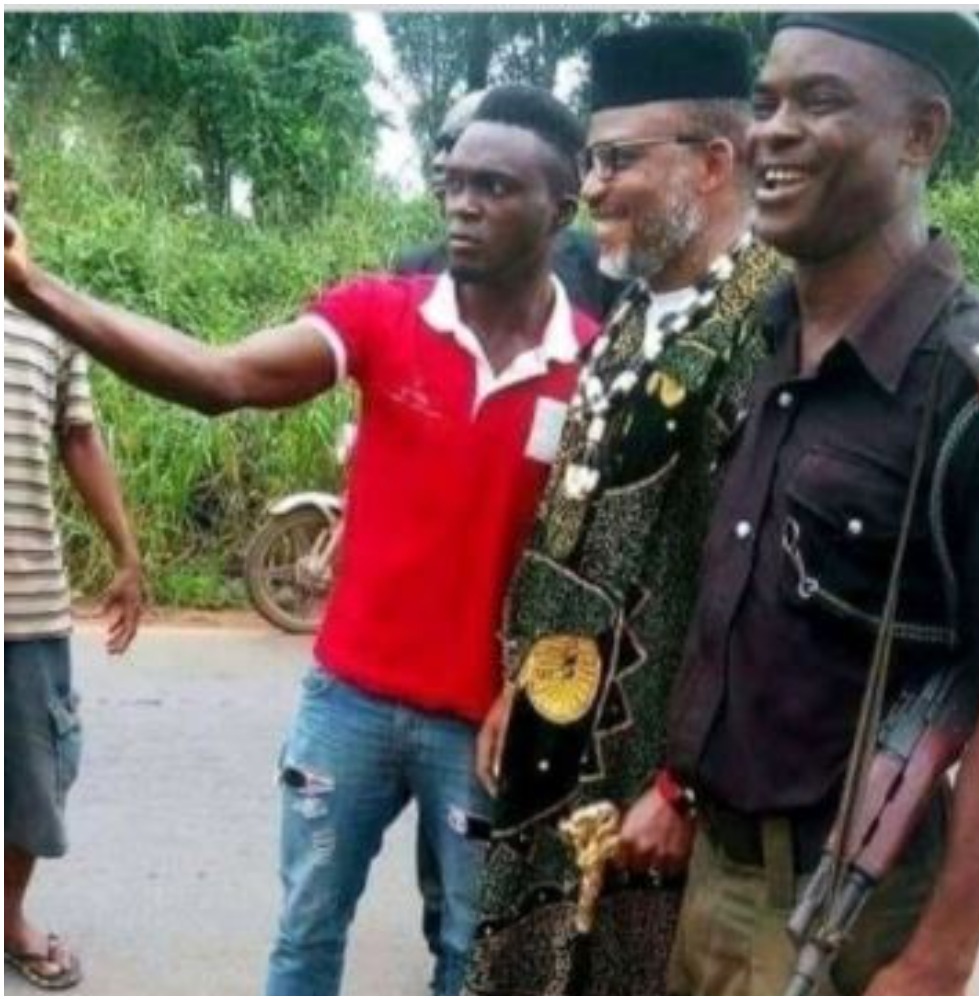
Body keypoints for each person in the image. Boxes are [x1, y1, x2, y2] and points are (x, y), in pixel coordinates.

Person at [4, 87, 597, 996]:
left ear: (561, 209)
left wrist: (536, 689)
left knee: (471, 956)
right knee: (307, 937)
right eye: (453, 183)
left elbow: (597, 563)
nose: (463, 205)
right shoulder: (381, 317)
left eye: (494, 186)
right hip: (348, 703)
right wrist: (31, 287)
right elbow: (221, 378)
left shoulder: (595, 364)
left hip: (486, 723)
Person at [650, 13, 979, 995]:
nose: (771, 131)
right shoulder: (763, 337)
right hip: (711, 880)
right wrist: (676, 787)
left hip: (850, 909)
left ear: (919, 135)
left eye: (818, 102)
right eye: (766, 101)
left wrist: (936, 960)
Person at [464, 25, 787, 996]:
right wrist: (517, 680)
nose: (591, 187)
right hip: (557, 725)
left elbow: (756, 586)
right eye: (586, 162)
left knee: (622, 967)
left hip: (651, 763)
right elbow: (575, 520)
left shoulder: (769, 329)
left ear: (715, 160)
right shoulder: (638, 313)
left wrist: (682, 782)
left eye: (614, 160)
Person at [4, 137, 144, 992]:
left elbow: (80, 436)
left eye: (11, 179)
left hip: (27, 607)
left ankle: (6, 914)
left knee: (33, 779)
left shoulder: (51, 314)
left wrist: (129, 554)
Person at [395, 89, 622, 321]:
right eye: (439, 146)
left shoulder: (602, 268)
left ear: (562, 211)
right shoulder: (414, 268)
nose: (440, 161)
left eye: (454, 143)